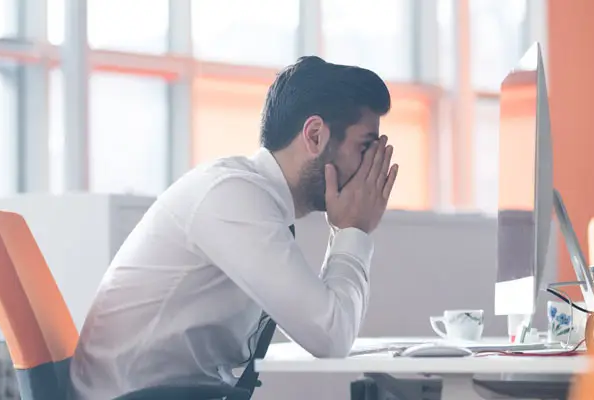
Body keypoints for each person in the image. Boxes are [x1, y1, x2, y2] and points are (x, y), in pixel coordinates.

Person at [70, 56, 399, 399]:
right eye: (365, 147)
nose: (373, 167)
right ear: (315, 135)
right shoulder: (233, 196)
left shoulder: (254, 199)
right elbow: (331, 336)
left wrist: (350, 231)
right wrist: (353, 231)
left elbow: (330, 332)